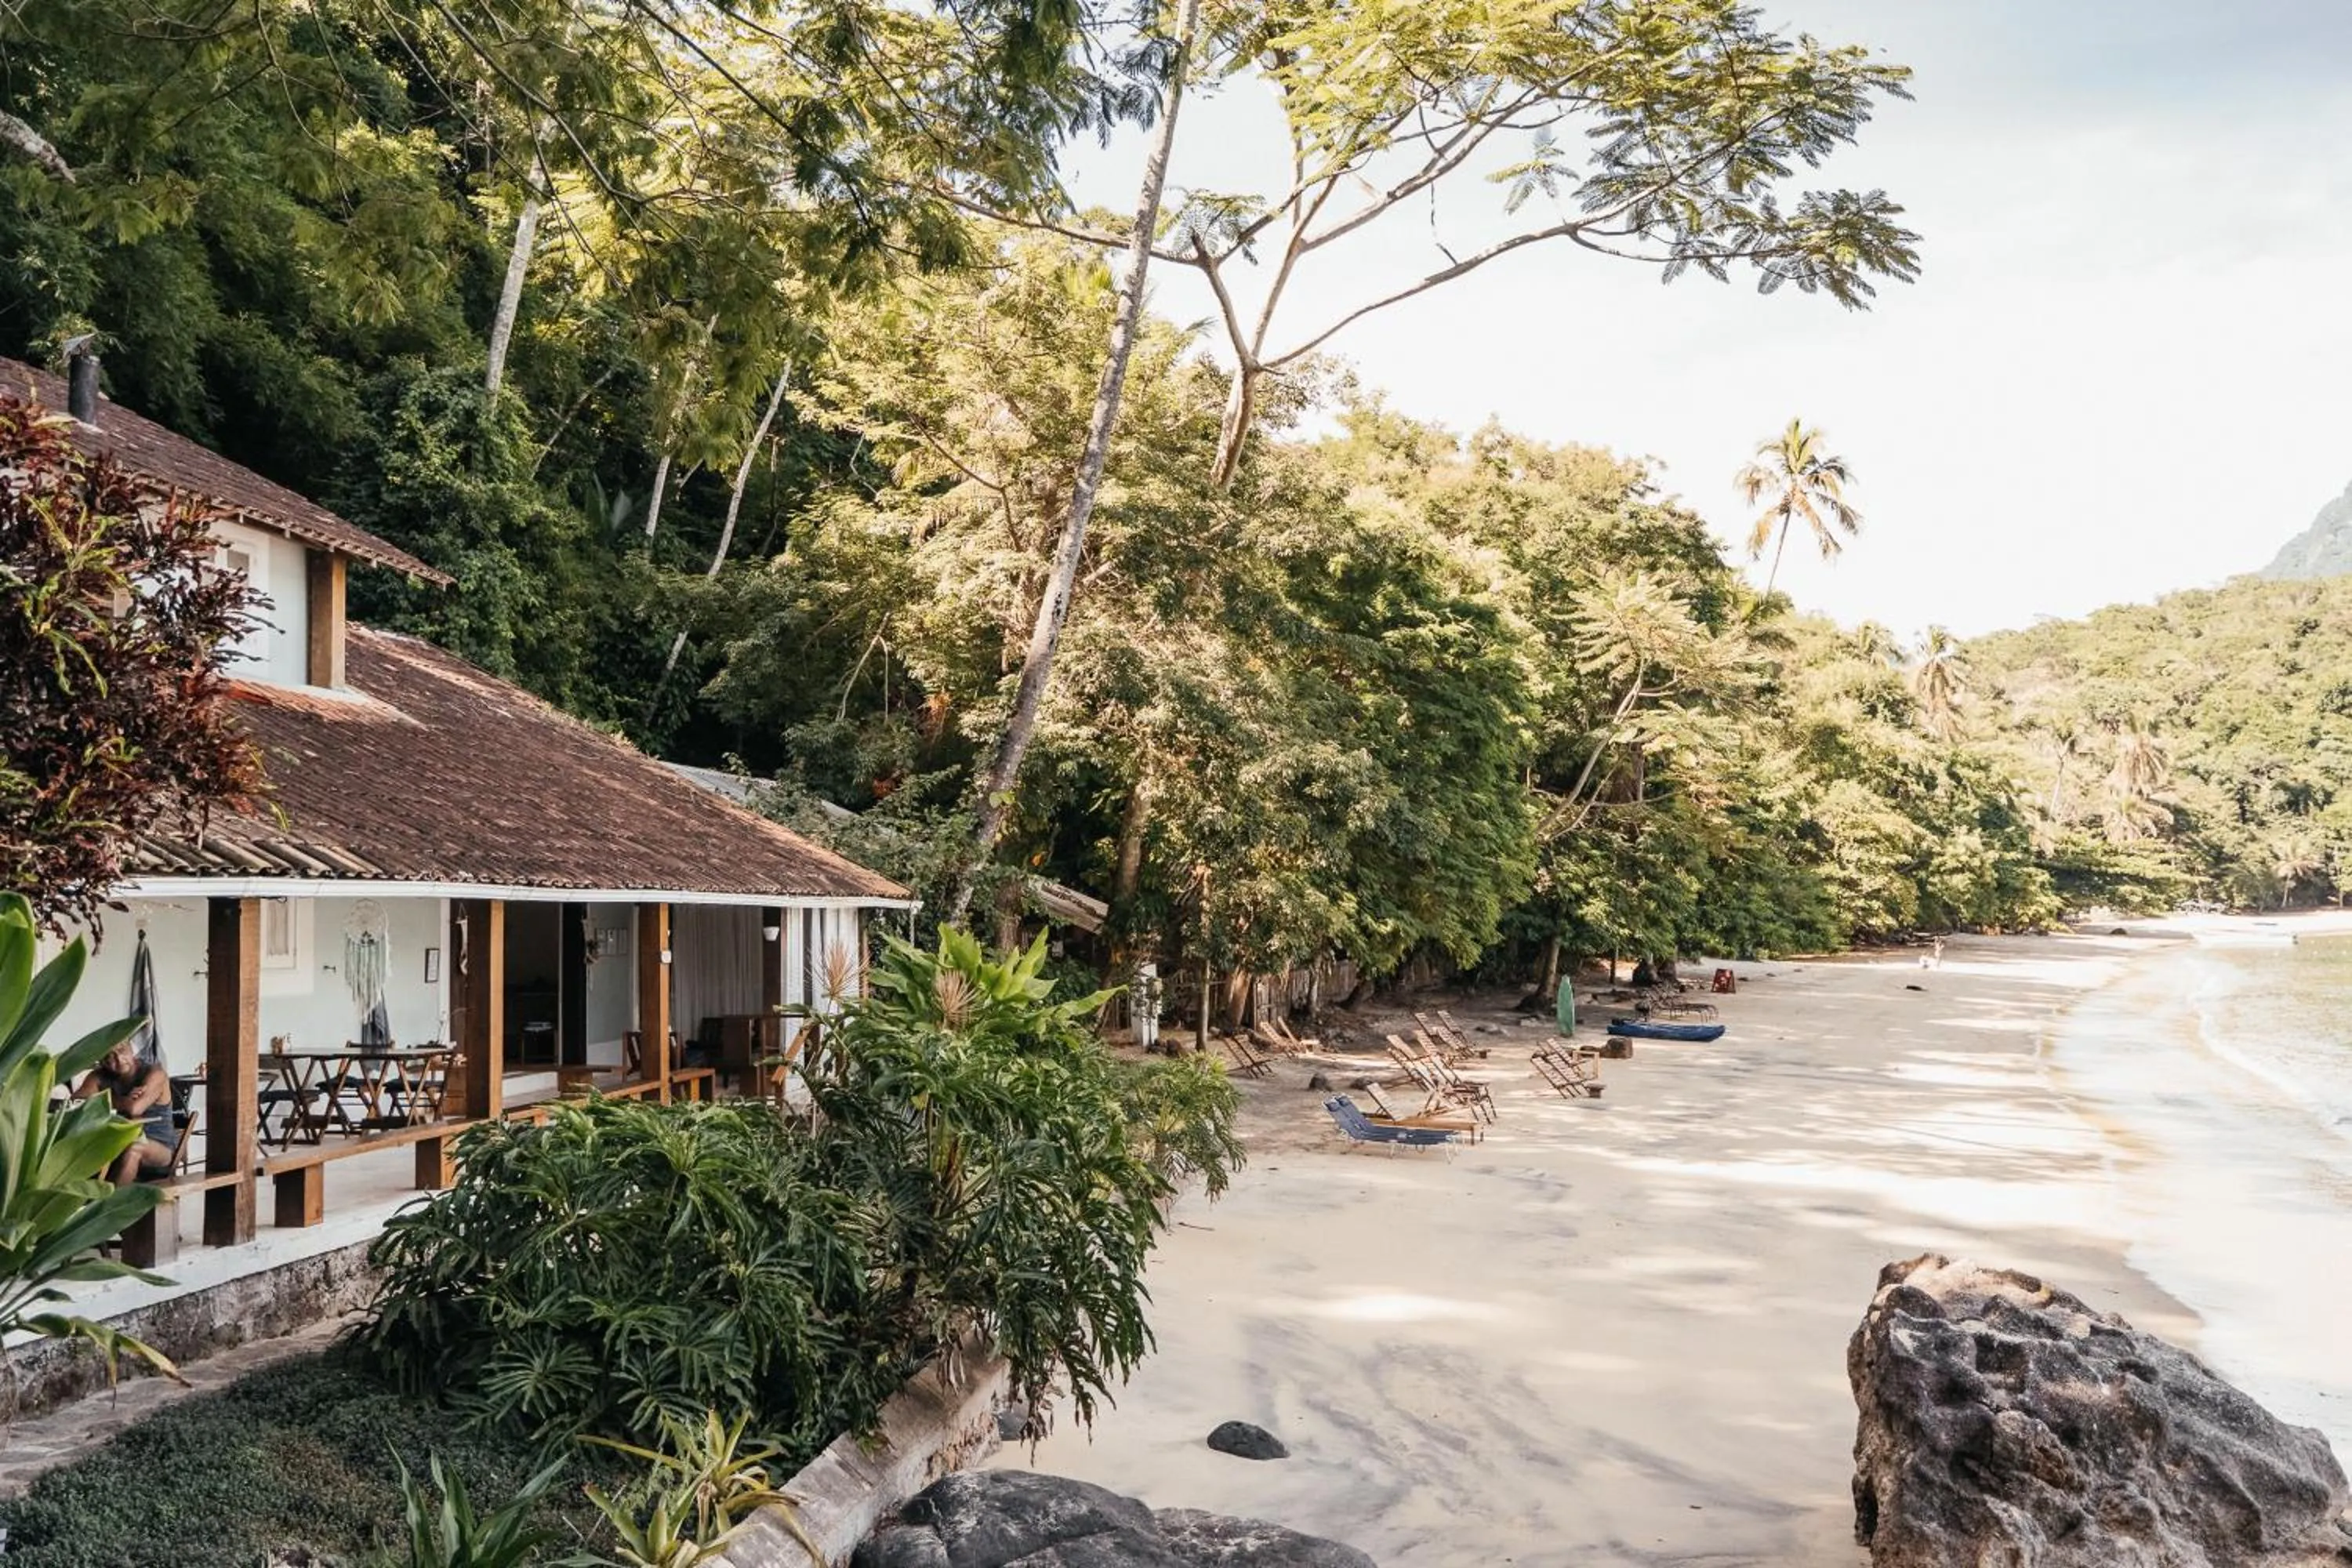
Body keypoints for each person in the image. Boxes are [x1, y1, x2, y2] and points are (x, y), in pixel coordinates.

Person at [74, 1038, 176, 1184]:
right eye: (109, 1056)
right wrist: (124, 1101)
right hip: (115, 1143)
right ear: (101, 1061)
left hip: (158, 1147)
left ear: (131, 1049)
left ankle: (112, 1205)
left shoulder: (155, 1074)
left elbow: (135, 1109)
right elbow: (77, 1103)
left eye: (122, 1051)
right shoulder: (98, 1076)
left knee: (133, 1148)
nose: (119, 1059)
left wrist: (102, 1099)